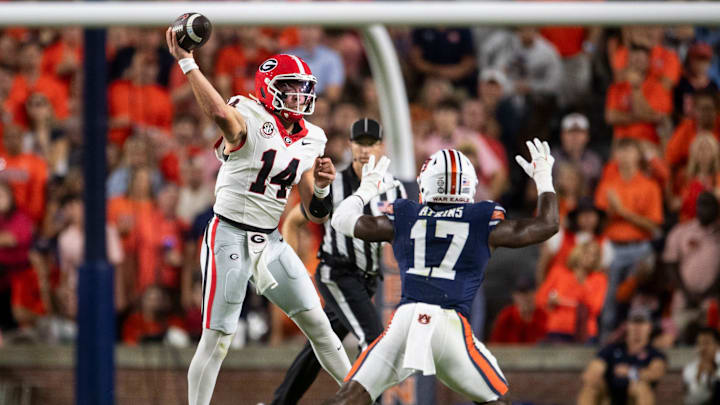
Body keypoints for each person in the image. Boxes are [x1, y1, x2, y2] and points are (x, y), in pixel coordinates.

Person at [165, 28, 351, 405]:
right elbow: (220, 114)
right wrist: (188, 63)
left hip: (269, 239)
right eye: (291, 87)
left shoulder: (313, 137)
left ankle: (366, 398)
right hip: (228, 235)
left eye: (304, 88)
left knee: (320, 325)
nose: (301, 96)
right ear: (268, 88)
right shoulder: (247, 112)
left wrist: (322, 188)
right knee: (217, 339)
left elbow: (315, 213)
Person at [324, 138, 559, 405]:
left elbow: (341, 220)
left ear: (427, 182)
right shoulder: (483, 219)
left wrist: (365, 189)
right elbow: (547, 225)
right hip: (450, 325)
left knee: (350, 397)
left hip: (406, 320)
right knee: (496, 400)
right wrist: (543, 178)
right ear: (469, 184)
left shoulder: (406, 214)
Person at [270, 118, 406, 405]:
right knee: (374, 341)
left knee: (321, 344)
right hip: (338, 272)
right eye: (360, 142)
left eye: (371, 143)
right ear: (350, 145)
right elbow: (293, 222)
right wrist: (293, 276)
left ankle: (280, 403)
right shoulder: (335, 183)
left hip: (368, 279)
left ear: (382, 147)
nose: (365, 149)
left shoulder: (394, 189)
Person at [578, 306, 667, 405]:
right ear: (627, 325)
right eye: (634, 323)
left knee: (640, 387)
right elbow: (593, 370)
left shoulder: (654, 354)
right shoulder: (613, 349)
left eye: (642, 323)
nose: (637, 327)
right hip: (609, 397)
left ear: (650, 327)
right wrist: (594, 375)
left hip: (633, 399)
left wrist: (630, 372)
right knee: (590, 386)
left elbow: (656, 373)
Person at [489, 276, 547, 345]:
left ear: (536, 293)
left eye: (529, 292)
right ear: (514, 296)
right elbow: (495, 345)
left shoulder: (544, 316)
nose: (525, 297)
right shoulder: (506, 316)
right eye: (521, 293)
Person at [683, 327, 720, 405]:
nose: (703, 348)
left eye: (707, 343)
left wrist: (714, 373)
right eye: (699, 344)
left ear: (717, 345)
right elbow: (693, 400)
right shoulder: (691, 368)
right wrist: (698, 376)